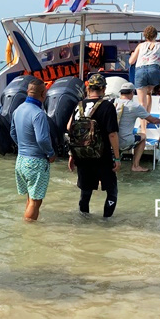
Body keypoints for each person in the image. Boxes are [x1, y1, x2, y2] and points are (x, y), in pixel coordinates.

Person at [67, 73, 121, 217]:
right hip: (102, 157)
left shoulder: (78, 106)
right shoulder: (108, 107)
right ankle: (106, 222)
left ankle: (84, 221)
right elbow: (112, 134)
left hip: (82, 156)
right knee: (112, 191)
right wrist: (117, 158)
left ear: (88, 88)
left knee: (85, 191)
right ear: (103, 89)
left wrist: (72, 154)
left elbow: (69, 128)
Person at [10, 78, 56, 221]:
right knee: (36, 202)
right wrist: (51, 153)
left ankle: (29, 226)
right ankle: (29, 234)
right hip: (36, 161)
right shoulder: (38, 113)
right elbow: (42, 139)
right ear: (43, 94)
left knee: (30, 198)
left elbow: (12, 133)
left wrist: (23, 146)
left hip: (21, 160)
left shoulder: (18, 110)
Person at [113, 81, 160, 172]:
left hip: (110, 140)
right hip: (124, 141)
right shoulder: (135, 106)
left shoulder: (113, 102)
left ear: (121, 93)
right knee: (143, 136)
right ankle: (135, 165)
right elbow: (153, 120)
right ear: (132, 93)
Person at [129, 26, 160, 130]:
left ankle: (143, 129)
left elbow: (131, 62)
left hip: (140, 71)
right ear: (156, 35)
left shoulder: (140, 46)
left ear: (145, 35)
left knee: (141, 102)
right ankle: (148, 119)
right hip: (154, 71)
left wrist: (133, 54)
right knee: (149, 93)